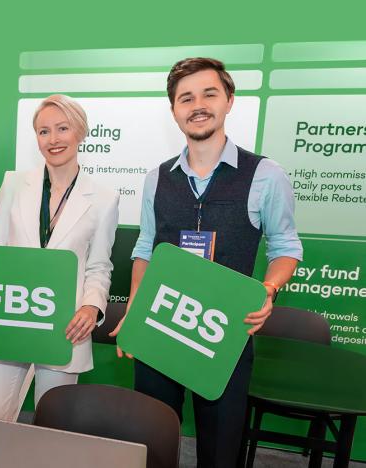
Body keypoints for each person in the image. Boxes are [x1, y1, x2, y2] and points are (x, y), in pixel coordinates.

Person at [111, 57, 303, 467]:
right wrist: (134, 309)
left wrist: (268, 289)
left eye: (208, 94)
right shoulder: (156, 177)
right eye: (186, 98)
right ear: (174, 110)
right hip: (159, 325)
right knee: (152, 442)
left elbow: (286, 246)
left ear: (229, 100)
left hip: (223, 333)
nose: (197, 105)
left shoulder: (266, 175)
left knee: (219, 450)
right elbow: (145, 247)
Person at [0, 94, 119, 432]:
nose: (53, 139)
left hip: (63, 325)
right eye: (44, 131)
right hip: (7, 317)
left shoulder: (104, 198)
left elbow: (99, 266)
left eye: (62, 128)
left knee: (53, 427)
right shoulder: (14, 183)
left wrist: (91, 307)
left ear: (80, 132)